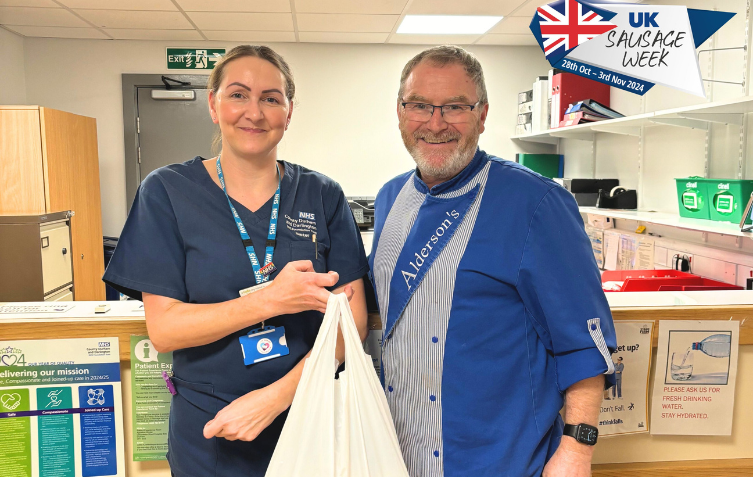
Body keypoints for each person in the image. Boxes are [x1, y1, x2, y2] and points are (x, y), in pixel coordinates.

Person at [103, 45, 369, 477]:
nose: (255, 112)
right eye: (238, 95)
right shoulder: (167, 192)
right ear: (213, 104)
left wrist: (277, 397)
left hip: (309, 415)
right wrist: (271, 301)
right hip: (211, 428)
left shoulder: (322, 195)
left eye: (270, 98)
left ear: (289, 110)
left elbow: (351, 323)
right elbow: (165, 329)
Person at [369, 45, 617, 477]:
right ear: (400, 111)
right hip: (394, 452)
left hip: (497, 459)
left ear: (482, 115)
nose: (436, 122)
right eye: (420, 106)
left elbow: (583, 341)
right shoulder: (391, 198)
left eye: (455, 107)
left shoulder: (536, 203)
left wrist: (577, 452)